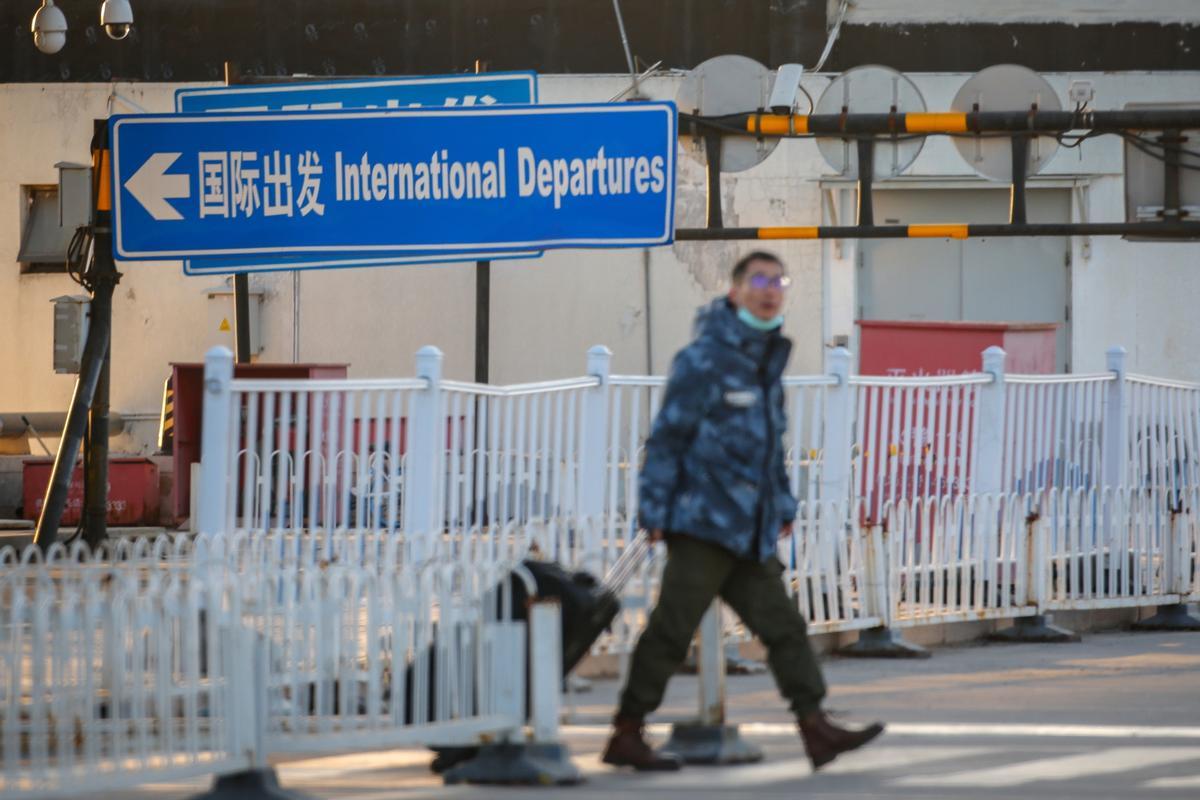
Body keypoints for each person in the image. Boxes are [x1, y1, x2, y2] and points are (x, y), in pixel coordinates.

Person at [602, 251, 884, 772]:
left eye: (778, 279)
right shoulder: (704, 359)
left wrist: (781, 504)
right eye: (758, 279)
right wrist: (654, 510)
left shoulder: (764, 359)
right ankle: (626, 731)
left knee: (784, 627)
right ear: (735, 292)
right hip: (702, 524)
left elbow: (768, 446)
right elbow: (666, 440)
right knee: (671, 628)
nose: (770, 288)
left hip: (750, 529)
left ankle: (815, 727)